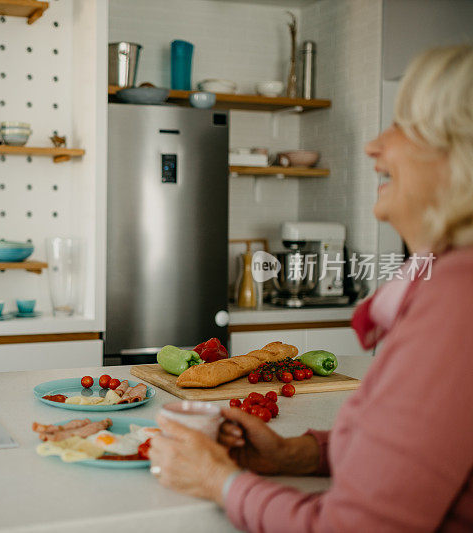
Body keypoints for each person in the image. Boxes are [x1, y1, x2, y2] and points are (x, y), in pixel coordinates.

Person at [149, 44, 473, 531]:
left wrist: (219, 482)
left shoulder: (457, 298)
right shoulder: (447, 283)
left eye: (404, 124)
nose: (374, 146)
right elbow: (417, 455)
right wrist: (296, 454)